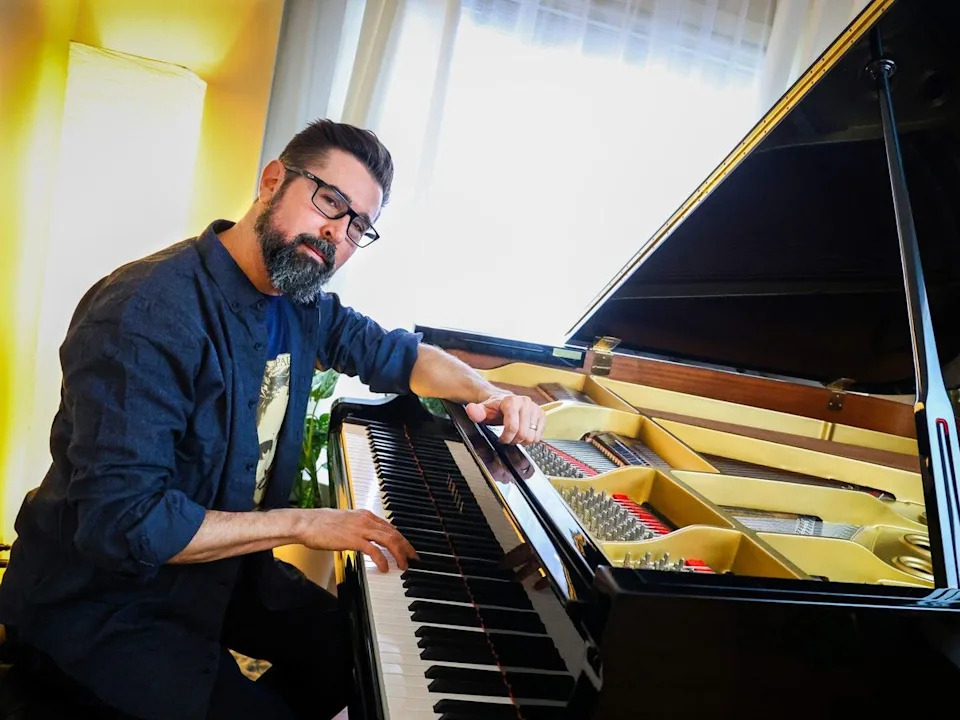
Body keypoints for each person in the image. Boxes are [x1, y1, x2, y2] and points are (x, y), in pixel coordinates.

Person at [0, 119, 546, 720]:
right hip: (103, 604)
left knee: (355, 654)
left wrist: (487, 392)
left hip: (217, 577)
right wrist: (304, 524)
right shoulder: (146, 312)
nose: (337, 233)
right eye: (329, 201)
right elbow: (129, 523)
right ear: (271, 181)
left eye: (357, 225)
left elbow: (398, 355)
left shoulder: (299, 300)